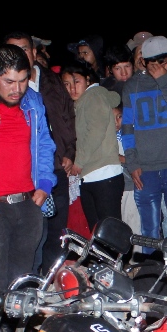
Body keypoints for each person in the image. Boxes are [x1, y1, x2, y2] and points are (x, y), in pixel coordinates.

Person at [0, 45, 56, 332]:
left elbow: (44, 143)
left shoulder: (33, 101)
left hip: (27, 203)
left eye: (22, 81)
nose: (17, 89)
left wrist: (44, 185)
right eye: (9, 81)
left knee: (22, 279)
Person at [3, 32, 77, 273]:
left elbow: (68, 117)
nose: (19, 55)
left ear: (34, 52)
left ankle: (51, 280)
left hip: (55, 166)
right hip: (22, 176)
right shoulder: (0, 88)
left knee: (56, 231)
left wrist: (69, 151)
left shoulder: (53, 82)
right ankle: (30, 283)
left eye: (24, 49)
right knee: (30, 236)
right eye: (12, 50)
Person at [121, 36, 167, 243]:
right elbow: (127, 128)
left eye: (166, 61)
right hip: (146, 169)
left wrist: (164, 80)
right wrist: (132, 162)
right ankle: (150, 265)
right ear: (144, 61)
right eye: (156, 63)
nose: (162, 67)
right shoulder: (131, 86)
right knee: (149, 231)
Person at [67, 61, 123, 231]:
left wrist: (79, 161)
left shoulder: (94, 96)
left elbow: (96, 130)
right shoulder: (82, 102)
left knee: (109, 232)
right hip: (90, 175)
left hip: (104, 173)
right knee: (97, 232)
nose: (72, 88)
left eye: (76, 81)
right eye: (67, 84)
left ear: (87, 79)